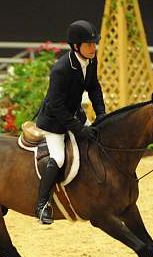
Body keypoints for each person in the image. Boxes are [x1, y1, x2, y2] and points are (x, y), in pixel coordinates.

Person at [34, 20, 106, 225]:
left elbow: (94, 87)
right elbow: (56, 106)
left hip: (74, 114)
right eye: (89, 44)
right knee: (58, 158)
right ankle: (41, 205)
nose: (93, 48)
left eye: (94, 44)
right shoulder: (61, 69)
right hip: (54, 121)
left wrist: (101, 114)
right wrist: (78, 129)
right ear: (76, 46)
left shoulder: (91, 59)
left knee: (95, 145)